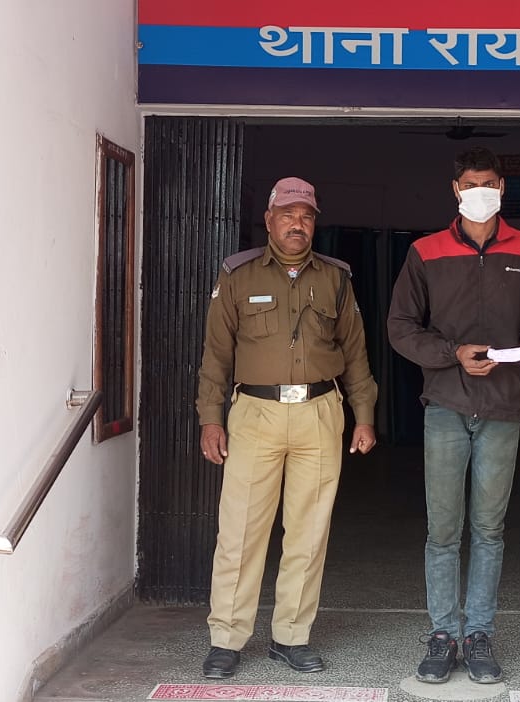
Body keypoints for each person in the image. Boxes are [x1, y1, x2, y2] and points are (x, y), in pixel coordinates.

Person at [387, 147, 520, 684]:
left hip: (504, 407)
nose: (480, 191)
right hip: (445, 404)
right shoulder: (425, 251)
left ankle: (479, 634)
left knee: (488, 529)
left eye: (489, 183)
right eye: (470, 183)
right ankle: (443, 634)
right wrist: (452, 354)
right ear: (455, 190)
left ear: (502, 188)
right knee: (443, 530)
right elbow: (400, 327)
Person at [195, 177, 379, 679]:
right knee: (240, 530)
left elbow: (356, 353)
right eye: (288, 215)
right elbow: (216, 356)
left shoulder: (336, 278)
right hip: (255, 413)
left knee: (309, 531)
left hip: (320, 412)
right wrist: (211, 418)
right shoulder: (238, 275)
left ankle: (291, 636)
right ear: (270, 220)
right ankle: (227, 638)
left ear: (314, 223)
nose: (297, 224)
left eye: (306, 216)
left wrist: (364, 415)